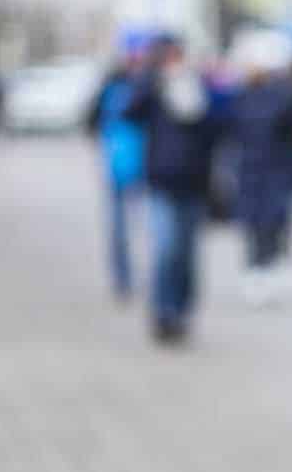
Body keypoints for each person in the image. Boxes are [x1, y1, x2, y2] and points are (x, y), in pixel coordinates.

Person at [125, 35, 225, 344]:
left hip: (194, 183)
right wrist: (152, 81)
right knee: (166, 248)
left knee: (186, 253)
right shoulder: (154, 88)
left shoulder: (200, 88)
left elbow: (219, 128)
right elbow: (131, 112)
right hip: (161, 182)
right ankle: (162, 311)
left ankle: (182, 310)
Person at [228, 31, 292, 306]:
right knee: (259, 226)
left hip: (272, 171)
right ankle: (258, 270)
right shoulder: (248, 97)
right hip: (257, 171)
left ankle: (268, 269)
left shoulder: (279, 96)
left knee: (274, 224)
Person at [85, 39, 149, 298]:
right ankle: (123, 278)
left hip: (146, 167)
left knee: (146, 229)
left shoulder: (148, 87)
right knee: (120, 229)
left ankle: (142, 277)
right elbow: (91, 122)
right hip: (118, 167)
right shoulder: (111, 88)